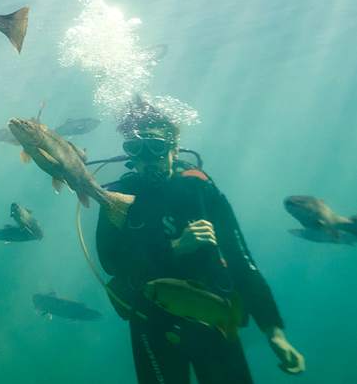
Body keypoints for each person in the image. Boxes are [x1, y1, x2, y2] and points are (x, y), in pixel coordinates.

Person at [96, 100, 306, 383]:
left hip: (213, 318)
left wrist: (273, 331)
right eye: (135, 148)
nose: (147, 158)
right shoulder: (118, 199)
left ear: (174, 148)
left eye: (156, 147)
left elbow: (240, 259)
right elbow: (110, 263)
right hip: (151, 321)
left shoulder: (199, 190)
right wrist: (173, 248)